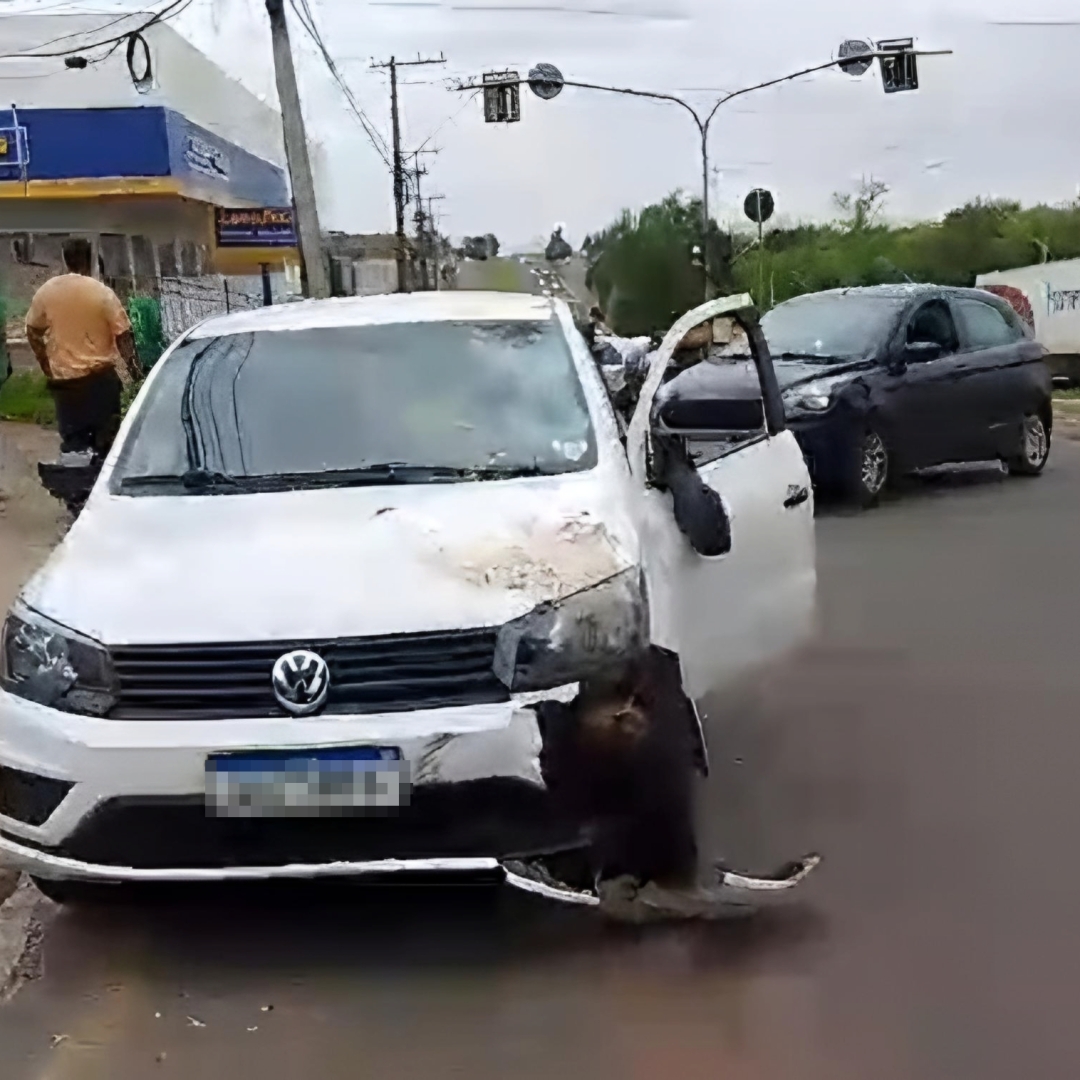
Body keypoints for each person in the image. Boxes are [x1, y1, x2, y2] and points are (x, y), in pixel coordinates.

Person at [25, 238, 142, 459]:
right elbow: (123, 337)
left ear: (65, 259)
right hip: (100, 383)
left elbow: (32, 331)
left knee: (74, 448)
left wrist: (45, 365)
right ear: (91, 259)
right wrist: (137, 375)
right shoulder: (102, 293)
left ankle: (75, 490)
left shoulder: (47, 292)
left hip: (67, 387)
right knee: (108, 447)